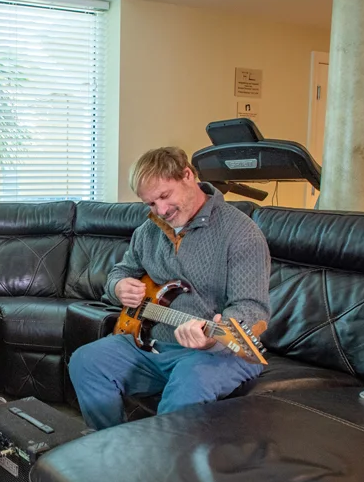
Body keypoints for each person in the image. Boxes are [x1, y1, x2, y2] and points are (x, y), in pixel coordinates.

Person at [67, 147, 270, 430]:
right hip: (153, 346)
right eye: (151, 203)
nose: (161, 211)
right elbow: (120, 272)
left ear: (188, 175)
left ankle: (162, 456)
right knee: (86, 361)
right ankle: (111, 446)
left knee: (190, 379)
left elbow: (252, 309)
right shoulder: (148, 231)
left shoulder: (241, 232)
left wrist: (211, 338)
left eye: (165, 196)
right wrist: (118, 286)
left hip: (220, 353)